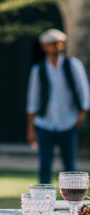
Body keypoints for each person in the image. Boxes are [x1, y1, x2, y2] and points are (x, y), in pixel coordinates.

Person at [26, 29, 90, 184]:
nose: (56, 47)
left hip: (68, 122)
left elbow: (84, 92)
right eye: (52, 44)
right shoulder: (38, 70)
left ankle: (73, 201)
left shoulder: (73, 65)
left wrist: (80, 116)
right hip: (45, 123)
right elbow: (32, 100)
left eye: (59, 44)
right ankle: (44, 200)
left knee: (70, 167)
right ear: (45, 47)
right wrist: (30, 128)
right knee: (45, 164)